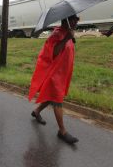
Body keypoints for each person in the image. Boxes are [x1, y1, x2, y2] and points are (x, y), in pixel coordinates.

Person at [28, 14, 79, 144]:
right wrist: (66, 38)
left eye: (77, 19)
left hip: (62, 73)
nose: (77, 22)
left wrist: (70, 37)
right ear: (66, 20)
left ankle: (36, 111)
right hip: (54, 74)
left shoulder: (68, 33)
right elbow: (53, 52)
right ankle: (62, 131)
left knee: (52, 96)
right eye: (74, 19)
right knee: (57, 100)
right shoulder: (57, 34)